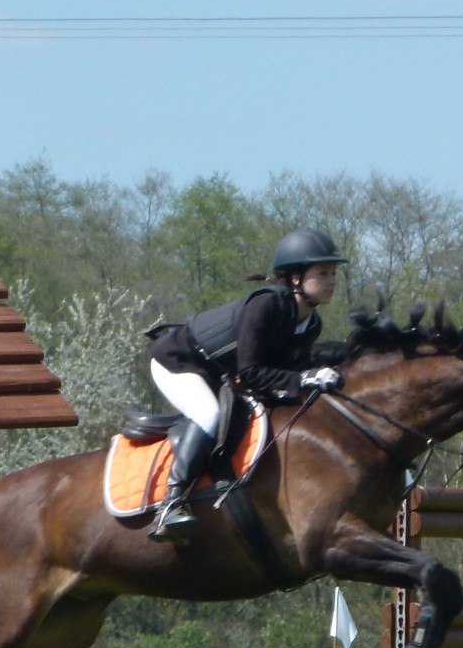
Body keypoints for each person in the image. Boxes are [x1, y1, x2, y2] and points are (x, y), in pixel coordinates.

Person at [143, 228, 349, 541]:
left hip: (216, 373)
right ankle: (171, 504)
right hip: (178, 360)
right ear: (295, 277)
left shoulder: (310, 324)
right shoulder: (265, 305)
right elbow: (251, 372)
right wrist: (304, 378)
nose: (332, 281)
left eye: (333, 273)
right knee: (209, 415)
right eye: (323, 273)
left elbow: (282, 372)